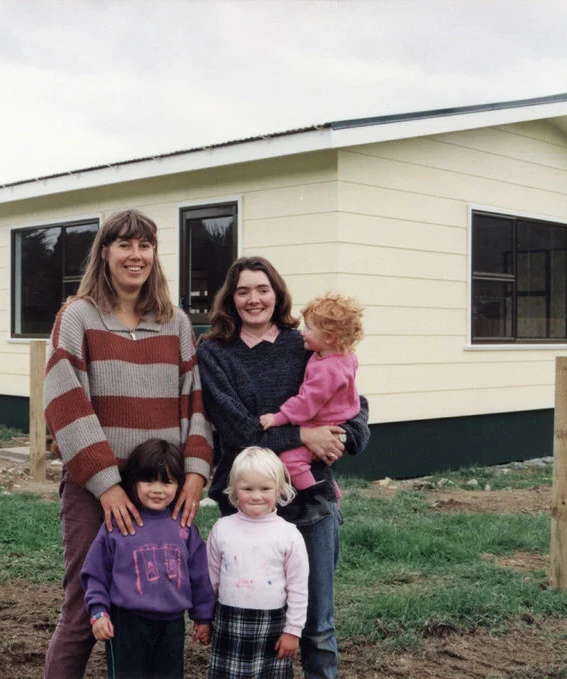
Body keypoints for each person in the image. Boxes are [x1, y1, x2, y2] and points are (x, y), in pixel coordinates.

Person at [43, 209, 213, 679]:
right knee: (83, 610)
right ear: (105, 253)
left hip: (161, 493)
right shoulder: (76, 317)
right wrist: (107, 486)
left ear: (154, 255)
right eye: (123, 244)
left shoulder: (175, 323)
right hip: (96, 491)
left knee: (157, 608)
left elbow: (195, 402)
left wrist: (195, 473)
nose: (135, 255)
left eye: (144, 246)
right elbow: (65, 402)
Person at [197, 256, 370, 679]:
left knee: (315, 624)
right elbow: (239, 430)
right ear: (229, 299)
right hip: (248, 503)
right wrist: (304, 436)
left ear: (277, 294)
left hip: (312, 500)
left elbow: (354, 403)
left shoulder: (305, 342)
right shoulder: (215, 354)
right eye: (243, 291)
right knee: (253, 619)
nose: (253, 299)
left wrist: (348, 436)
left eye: (262, 289)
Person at [81, 439, 214, 679]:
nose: (157, 489)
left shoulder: (183, 526)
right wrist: (99, 612)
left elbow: (199, 574)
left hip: (172, 624)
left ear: (179, 485)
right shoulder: (118, 524)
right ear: (133, 481)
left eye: (167, 481)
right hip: (127, 623)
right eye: (148, 480)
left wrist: (203, 617)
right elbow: (95, 573)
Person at [206, 446, 309, 679]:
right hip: (228, 621)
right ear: (234, 489)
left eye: (264, 488)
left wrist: (293, 631)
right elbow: (210, 579)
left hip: (272, 625)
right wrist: (204, 618)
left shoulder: (289, 535)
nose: (256, 496)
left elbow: (298, 588)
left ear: (279, 489)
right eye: (247, 488)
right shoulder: (222, 529)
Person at [259, 293, 364, 491]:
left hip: (323, 424)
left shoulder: (326, 370)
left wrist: (278, 418)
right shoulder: (343, 355)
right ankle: (328, 488)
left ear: (329, 336)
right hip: (338, 419)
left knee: (290, 461)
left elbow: (307, 403)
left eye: (308, 328)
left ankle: (313, 494)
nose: (302, 333)